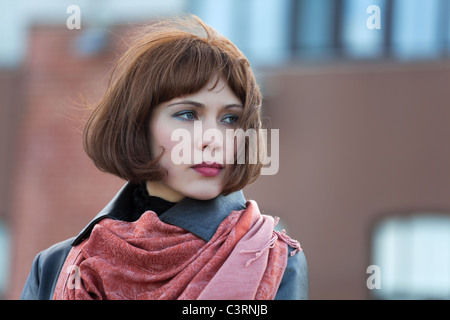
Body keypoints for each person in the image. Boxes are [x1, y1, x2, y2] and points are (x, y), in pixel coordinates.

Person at [20, 15, 308, 300]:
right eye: (187, 114)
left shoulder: (274, 260)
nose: (213, 138)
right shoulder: (53, 268)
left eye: (230, 119)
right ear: (138, 126)